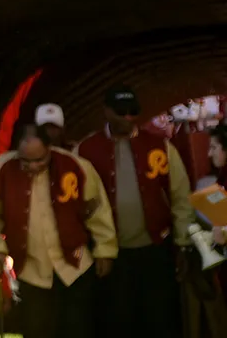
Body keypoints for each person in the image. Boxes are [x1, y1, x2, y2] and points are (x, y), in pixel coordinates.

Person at [0, 123, 117, 338]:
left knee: (78, 329)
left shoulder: (75, 166)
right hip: (30, 269)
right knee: (37, 330)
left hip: (75, 265)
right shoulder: (0, 170)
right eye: (26, 161)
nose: (32, 166)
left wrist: (105, 249)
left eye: (39, 160)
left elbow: (97, 208)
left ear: (50, 149)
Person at [75, 88, 192, 338]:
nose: (128, 118)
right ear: (106, 112)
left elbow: (180, 197)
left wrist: (181, 243)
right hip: (110, 255)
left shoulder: (160, 146)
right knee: (118, 321)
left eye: (133, 112)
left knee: (160, 320)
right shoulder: (86, 149)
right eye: (121, 112)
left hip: (156, 248)